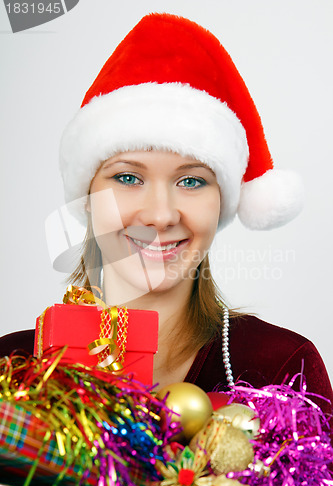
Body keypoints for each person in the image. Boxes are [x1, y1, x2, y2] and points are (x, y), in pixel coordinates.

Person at [0, 13, 332, 420]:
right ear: (87, 197)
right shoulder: (12, 370)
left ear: (222, 202)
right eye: (127, 177)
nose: (159, 215)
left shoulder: (282, 372)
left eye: (191, 182)